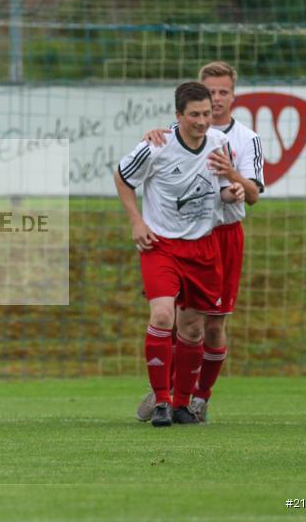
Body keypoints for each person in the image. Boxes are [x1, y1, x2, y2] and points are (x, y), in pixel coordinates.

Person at [135, 62, 264, 423]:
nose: (218, 99)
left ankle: (197, 398)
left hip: (222, 237)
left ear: (233, 97)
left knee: (212, 325)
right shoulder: (172, 133)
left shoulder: (245, 139)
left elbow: (252, 195)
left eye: (224, 93)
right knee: (172, 318)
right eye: (212, 92)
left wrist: (234, 178)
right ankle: (172, 394)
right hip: (179, 235)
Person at [114, 81, 245, 427]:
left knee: (192, 329)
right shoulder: (156, 145)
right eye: (195, 115)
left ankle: (183, 404)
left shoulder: (219, 143)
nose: (202, 121)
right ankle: (161, 401)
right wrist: (136, 222)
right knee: (161, 316)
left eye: (206, 114)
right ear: (178, 116)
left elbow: (221, 192)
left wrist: (233, 190)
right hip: (161, 245)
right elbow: (122, 177)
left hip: (202, 246)